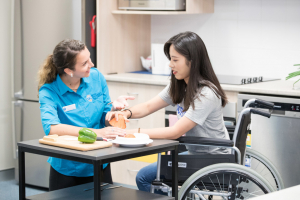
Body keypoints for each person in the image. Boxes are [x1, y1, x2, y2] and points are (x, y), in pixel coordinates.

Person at [106, 31, 230, 194]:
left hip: (212, 160)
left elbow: (175, 131)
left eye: (175, 60)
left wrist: (131, 133)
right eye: (170, 59)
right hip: (196, 154)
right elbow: (148, 106)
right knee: (150, 174)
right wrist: (126, 113)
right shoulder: (181, 85)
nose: (170, 64)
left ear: (192, 61)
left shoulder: (206, 93)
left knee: (144, 177)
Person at [38, 39, 133, 191]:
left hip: (99, 160)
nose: (92, 64)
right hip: (67, 167)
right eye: (84, 63)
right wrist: (97, 133)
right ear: (69, 71)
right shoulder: (48, 91)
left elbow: (104, 115)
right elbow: (51, 128)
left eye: (89, 58)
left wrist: (114, 111)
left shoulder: (96, 77)